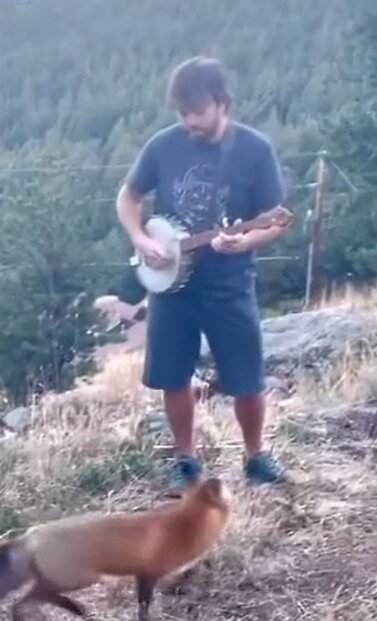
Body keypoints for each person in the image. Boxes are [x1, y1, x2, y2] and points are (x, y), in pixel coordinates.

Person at [115, 55, 291, 489]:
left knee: (247, 377)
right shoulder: (163, 145)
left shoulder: (254, 149)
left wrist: (243, 242)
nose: (189, 120)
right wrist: (141, 239)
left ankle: (255, 458)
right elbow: (128, 197)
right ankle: (185, 460)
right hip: (172, 287)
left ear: (222, 102)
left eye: (197, 111)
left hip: (229, 285)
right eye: (182, 112)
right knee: (173, 374)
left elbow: (276, 220)